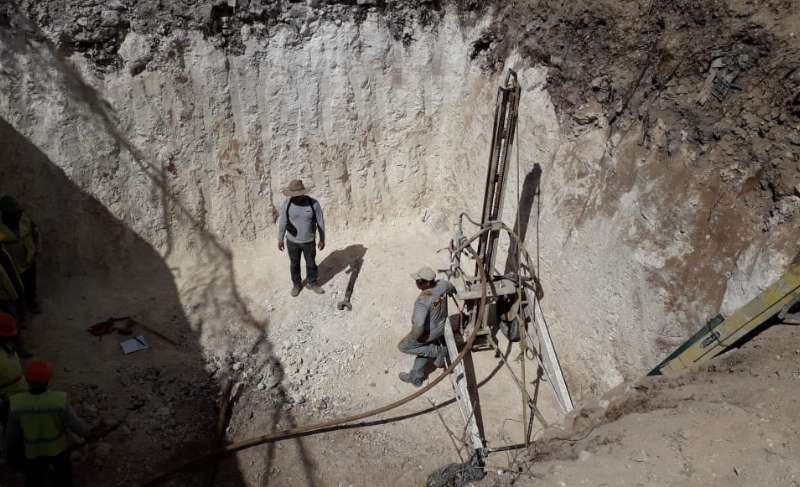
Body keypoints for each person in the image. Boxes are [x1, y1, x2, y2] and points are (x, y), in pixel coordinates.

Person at [6, 360, 88, 487]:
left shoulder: (16, 403)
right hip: (58, 450)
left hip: (33, 452)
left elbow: (12, 433)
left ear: (27, 381)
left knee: (35, 478)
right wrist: (85, 433)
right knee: (64, 476)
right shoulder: (59, 400)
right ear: (48, 380)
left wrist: (11, 450)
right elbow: (74, 423)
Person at [397, 266, 454, 387]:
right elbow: (451, 288)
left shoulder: (422, 301)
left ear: (426, 283)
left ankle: (439, 351)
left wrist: (413, 339)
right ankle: (416, 377)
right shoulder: (442, 285)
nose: (416, 283)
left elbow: (419, 326)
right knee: (423, 350)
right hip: (441, 326)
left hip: (429, 333)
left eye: (419, 281)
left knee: (403, 347)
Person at [277, 180, 326, 297]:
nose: (295, 197)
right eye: (293, 195)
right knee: (294, 264)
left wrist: (322, 239)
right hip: (292, 242)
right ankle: (296, 285)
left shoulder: (313, 204)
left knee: (311, 263)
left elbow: (320, 222)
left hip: (309, 241)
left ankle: (312, 283)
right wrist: (280, 239)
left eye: (298, 194)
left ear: (303, 193)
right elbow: (283, 222)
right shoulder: (287, 204)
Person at [0, 196, 40, 315]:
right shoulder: (1, 227)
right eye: (12, 212)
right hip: (14, 264)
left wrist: (36, 248)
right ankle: (21, 310)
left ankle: (32, 303)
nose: (16, 213)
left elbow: (35, 231)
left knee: (31, 283)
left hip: (29, 258)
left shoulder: (24, 218)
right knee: (18, 287)